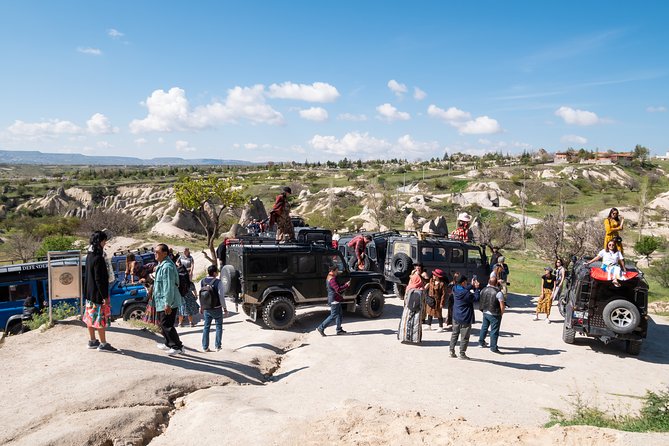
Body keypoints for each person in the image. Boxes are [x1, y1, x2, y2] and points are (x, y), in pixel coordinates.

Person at [83, 230, 118, 352]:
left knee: (90, 317)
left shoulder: (89, 256)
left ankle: (92, 341)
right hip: (98, 294)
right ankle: (103, 344)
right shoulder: (98, 258)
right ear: (100, 242)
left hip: (89, 293)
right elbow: (99, 279)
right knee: (100, 318)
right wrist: (105, 296)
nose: (105, 243)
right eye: (104, 240)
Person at [153, 243, 185, 356]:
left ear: (165, 253)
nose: (155, 254)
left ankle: (177, 347)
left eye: (157, 252)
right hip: (161, 300)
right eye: (155, 251)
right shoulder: (162, 264)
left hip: (168, 301)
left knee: (167, 324)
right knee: (163, 324)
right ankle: (168, 343)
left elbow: (168, 286)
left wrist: (168, 303)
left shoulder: (167, 267)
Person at [449, 275, 481, 360]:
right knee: (464, 337)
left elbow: (464, 289)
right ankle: (462, 354)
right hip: (465, 317)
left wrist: (471, 285)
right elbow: (476, 298)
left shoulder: (455, 288)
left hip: (456, 315)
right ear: (463, 282)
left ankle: (451, 351)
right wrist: (477, 288)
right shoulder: (466, 293)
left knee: (454, 334)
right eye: (466, 282)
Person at [199, 264, 228, 352]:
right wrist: (225, 308)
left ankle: (205, 347)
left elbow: (202, 296)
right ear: (215, 273)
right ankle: (217, 346)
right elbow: (221, 296)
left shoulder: (202, 281)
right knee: (218, 326)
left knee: (206, 327)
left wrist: (202, 307)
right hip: (217, 308)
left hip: (207, 308)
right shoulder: (218, 282)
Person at [398, 263, 429, 344]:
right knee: (407, 317)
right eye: (416, 266)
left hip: (418, 297)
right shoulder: (413, 273)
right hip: (410, 295)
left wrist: (422, 290)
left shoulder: (424, 274)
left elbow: (428, 282)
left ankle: (416, 338)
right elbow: (410, 283)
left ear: (421, 267)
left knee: (417, 318)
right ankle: (405, 337)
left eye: (419, 266)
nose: (417, 268)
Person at [317, 266, 350, 336]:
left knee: (339, 314)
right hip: (334, 299)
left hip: (335, 299)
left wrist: (344, 285)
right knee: (333, 315)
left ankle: (339, 330)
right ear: (333, 271)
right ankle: (321, 327)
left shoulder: (329, 276)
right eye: (336, 271)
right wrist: (346, 285)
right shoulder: (332, 279)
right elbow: (337, 289)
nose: (337, 272)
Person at [478, 277, 504, 353]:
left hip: (485, 311)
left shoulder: (483, 289)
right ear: (496, 283)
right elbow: (502, 305)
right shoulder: (498, 293)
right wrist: (501, 313)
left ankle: (481, 342)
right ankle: (493, 347)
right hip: (495, 313)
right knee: (494, 331)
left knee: (484, 327)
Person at [176, 262, 199, 328]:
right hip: (189, 298)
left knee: (181, 311)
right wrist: (196, 296)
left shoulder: (178, 283)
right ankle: (191, 323)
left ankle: (180, 323)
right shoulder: (189, 283)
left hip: (181, 298)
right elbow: (194, 289)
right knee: (189, 312)